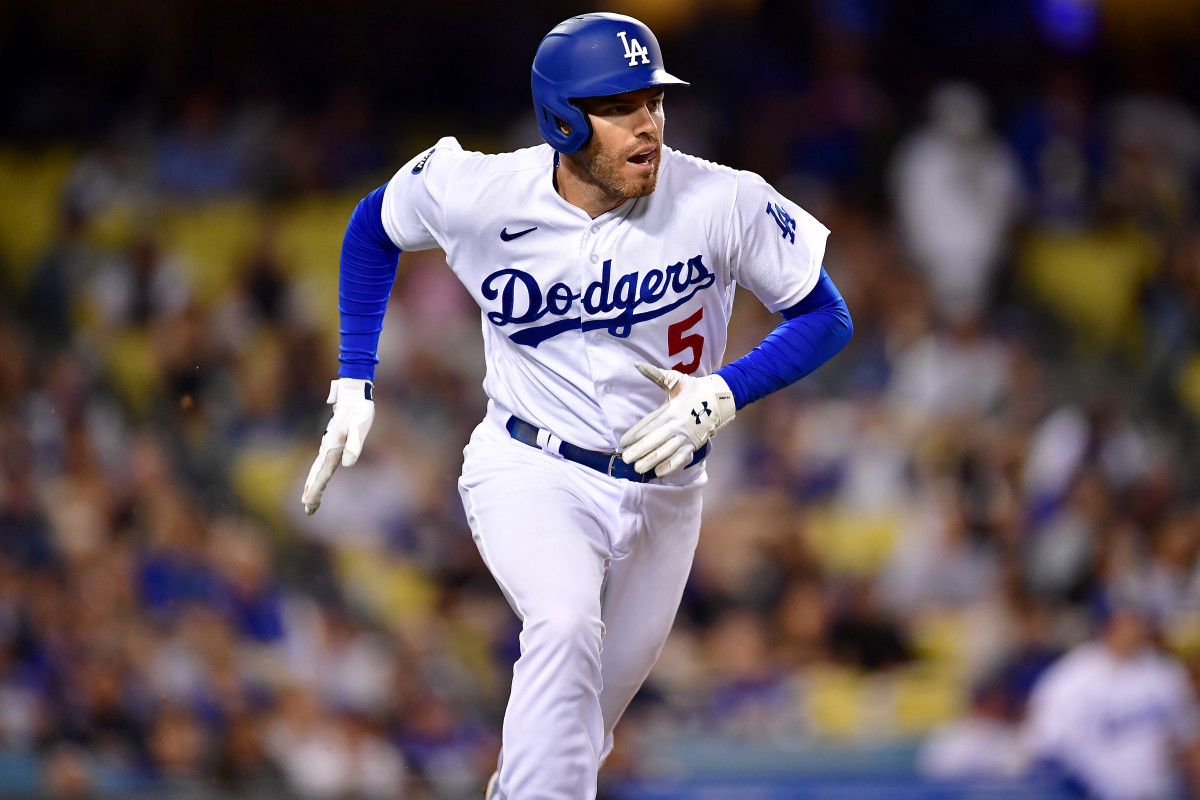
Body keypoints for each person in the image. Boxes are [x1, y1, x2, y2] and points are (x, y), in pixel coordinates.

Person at [300, 12, 852, 799]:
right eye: (620, 106)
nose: (649, 124)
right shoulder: (479, 190)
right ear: (562, 118)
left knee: (580, 729)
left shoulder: (720, 199)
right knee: (561, 627)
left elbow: (827, 315)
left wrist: (728, 391)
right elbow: (371, 225)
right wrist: (353, 379)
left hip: (665, 491)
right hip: (532, 466)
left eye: (654, 102)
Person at [1025, 601, 1200, 799]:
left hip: (1159, 792)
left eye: (1139, 621)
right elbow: (1044, 747)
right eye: (1127, 621)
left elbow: (1190, 738)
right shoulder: (1069, 678)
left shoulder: (1165, 674)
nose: (1135, 628)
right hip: (1094, 793)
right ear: (1108, 625)